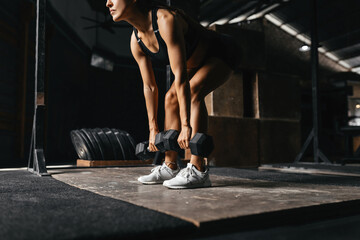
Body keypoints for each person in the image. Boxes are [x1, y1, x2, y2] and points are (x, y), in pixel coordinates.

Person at [106, 0, 239, 189]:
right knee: (170, 98)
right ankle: (170, 165)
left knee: (193, 91)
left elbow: (181, 77)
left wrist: (186, 125)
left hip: (221, 52)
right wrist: (153, 130)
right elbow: (150, 87)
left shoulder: (165, 20)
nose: (108, 3)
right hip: (194, 63)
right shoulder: (136, 41)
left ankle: (199, 169)